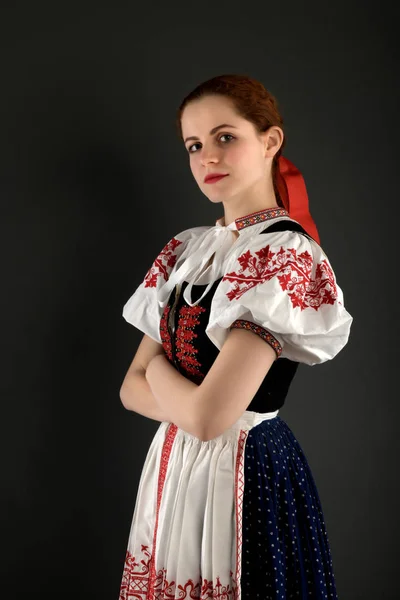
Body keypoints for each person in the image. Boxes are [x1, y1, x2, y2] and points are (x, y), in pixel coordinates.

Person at [118, 73, 353, 599]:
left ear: (270, 142)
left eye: (226, 137)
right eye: (194, 145)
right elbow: (128, 391)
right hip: (172, 465)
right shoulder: (186, 250)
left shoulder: (282, 255)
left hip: (244, 470)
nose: (208, 157)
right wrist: (180, 396)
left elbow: (208, 418)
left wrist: (156, 371)